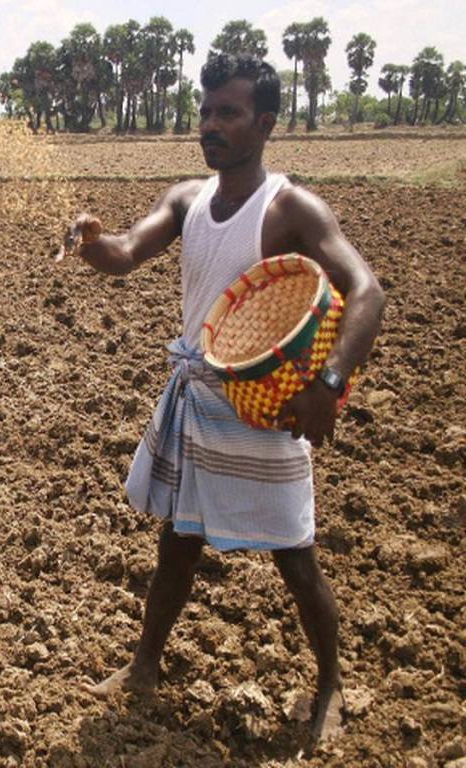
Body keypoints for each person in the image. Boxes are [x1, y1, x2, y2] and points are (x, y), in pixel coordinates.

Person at [65, 53, 385, 749]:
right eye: (206, 111)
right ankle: (145, 666)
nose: (210, 125)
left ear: (265, 124)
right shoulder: (188, 200)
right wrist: (92, 241)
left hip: (266, 402)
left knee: (293, 553)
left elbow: (368, 291)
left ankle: (329, 683)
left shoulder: (291, 208)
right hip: (200, 398)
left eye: (228, 113)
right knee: (178, 540)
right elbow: (124, 252)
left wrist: (327, 387)